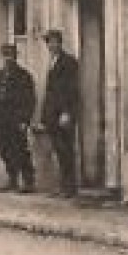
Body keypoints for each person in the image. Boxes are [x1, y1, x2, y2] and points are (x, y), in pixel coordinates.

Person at [0, 43, 36, 192]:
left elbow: (30, 100)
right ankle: (12, 179)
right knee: (4, 149)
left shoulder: (24, 76)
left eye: (11, 56)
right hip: (2, 120)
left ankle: (28, 181)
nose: (8, 59)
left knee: (21, 150)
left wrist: (25, 120)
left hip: (17, 120)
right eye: (5, 55)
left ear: (16, 57)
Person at [39, 28, 81, 198]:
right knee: (59, 150)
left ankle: (70, 187)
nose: (51, 45)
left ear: (60, 43)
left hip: (63, 114)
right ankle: (63, 186)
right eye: (49, 42)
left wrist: (66, 112)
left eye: (54, 42)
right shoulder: (52, 62)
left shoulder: (69, 62)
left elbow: (71, 90)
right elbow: (50, 91)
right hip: (52, 114)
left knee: (66, 150)